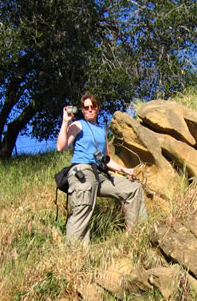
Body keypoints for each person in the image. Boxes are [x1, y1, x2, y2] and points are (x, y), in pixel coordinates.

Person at [56, 93, 147, 244]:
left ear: (98, 108)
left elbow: (106, 159)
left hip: (100, 174)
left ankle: (137, 236)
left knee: (133, 189)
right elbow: (61, 146)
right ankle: (74, 255)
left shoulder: (101, 130)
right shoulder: (77, 125)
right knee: (83, 209)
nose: (90, 109)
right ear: (82, 110)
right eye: (86, 107)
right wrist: (65, 122)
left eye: (93, 106)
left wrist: (124, 170)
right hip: (83, 172)